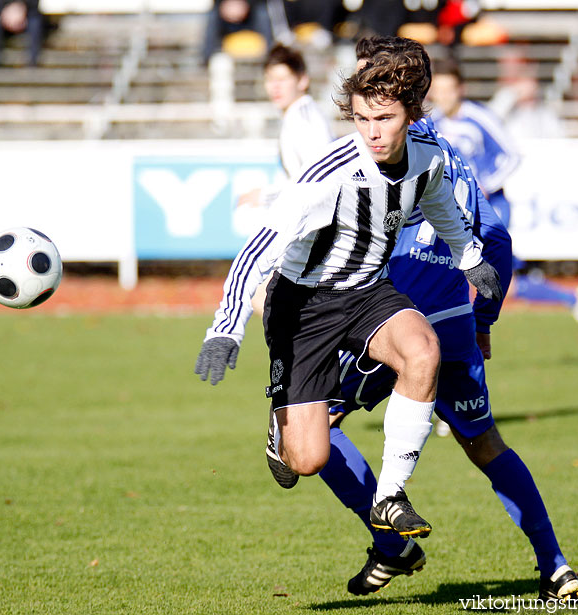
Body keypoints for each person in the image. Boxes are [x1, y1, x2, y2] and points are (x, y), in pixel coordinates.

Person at [195, 43, 503, 539]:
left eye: (383, 117)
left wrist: (470, 259)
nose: (372, 131)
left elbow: (441, 202)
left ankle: (390, 496)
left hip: (367, 292)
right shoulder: (332, 172)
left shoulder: (426, 157)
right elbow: (258, 248)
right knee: (311, 458)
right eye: (361, 118)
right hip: (303, 304)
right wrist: (225, 329)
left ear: (411, 113)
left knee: (423, 350)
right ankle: (284, 427)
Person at [314, 35, 578, 603]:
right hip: (453, 321)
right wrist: (483, 317)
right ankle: (555, 565)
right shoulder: (451, 155)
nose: (363, 108)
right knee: (485, 445)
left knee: (311, 427)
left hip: (389, 318)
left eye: (373, 83)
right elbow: (498, 239)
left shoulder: (390, 156)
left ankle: (391, 544)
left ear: (401, 92)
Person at [428, 57, 578, 340]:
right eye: (439, 90)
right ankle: (575, 300)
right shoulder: (433, 121)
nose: (444, 96)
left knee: (490, 277)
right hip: (452, 212)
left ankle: (462, 335)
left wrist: (483, 184)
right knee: (492, 278)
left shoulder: (478, 117)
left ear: (461, 89)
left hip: (488, 208)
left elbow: (511, 155)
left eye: (450, 89)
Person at [237, 43, 335, 312]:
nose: (274, 87)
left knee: (263, 297)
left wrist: (265, 195)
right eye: (270, 79)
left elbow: (319, 180)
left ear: (302, 80)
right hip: (311, 229)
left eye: (282, 79)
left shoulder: (301, 119)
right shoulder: (301, 114)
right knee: (271, 300)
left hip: (315, 232)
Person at [201, 0, 273, 65]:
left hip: (252, 12)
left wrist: (246, 4)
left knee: (262, 13)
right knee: (213, 16)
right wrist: (223, 4)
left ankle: (270, 60)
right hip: (225, 12)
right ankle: (207, 61)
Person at [0, 0, 42, 67]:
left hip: (28, 10)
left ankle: (33, 61)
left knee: (35, 22)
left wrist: (21, 6)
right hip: (2, 10)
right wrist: (5, 8)